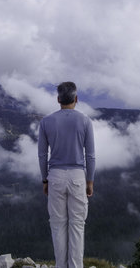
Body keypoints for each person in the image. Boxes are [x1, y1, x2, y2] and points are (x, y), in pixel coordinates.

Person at [37, 82, 95, 268]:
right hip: (78, 176)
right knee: (77, 226)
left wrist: (45, 179)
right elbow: (91, 155)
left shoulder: (46, 122)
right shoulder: (85, 121)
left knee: (58, 225)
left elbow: (42, 154)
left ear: (58, 99)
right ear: (76, 99)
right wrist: (90, 181)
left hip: (55, 176)